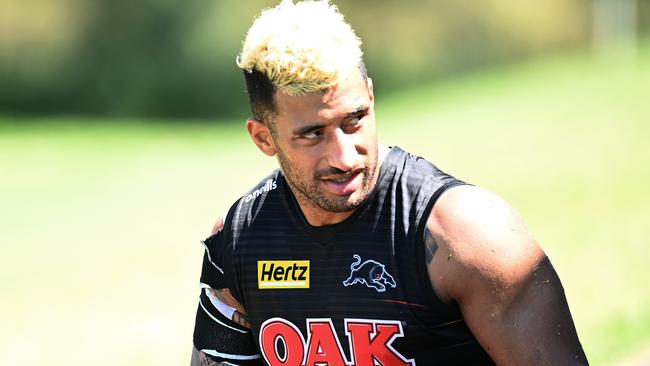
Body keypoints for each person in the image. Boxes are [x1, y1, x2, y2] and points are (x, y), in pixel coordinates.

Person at [191, 1, 588, 365]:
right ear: (264, 138)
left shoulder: (469, 236)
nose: (345, 157)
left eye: (355, 120)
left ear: (370, 96)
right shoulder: (241, 240)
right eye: (313, 134)